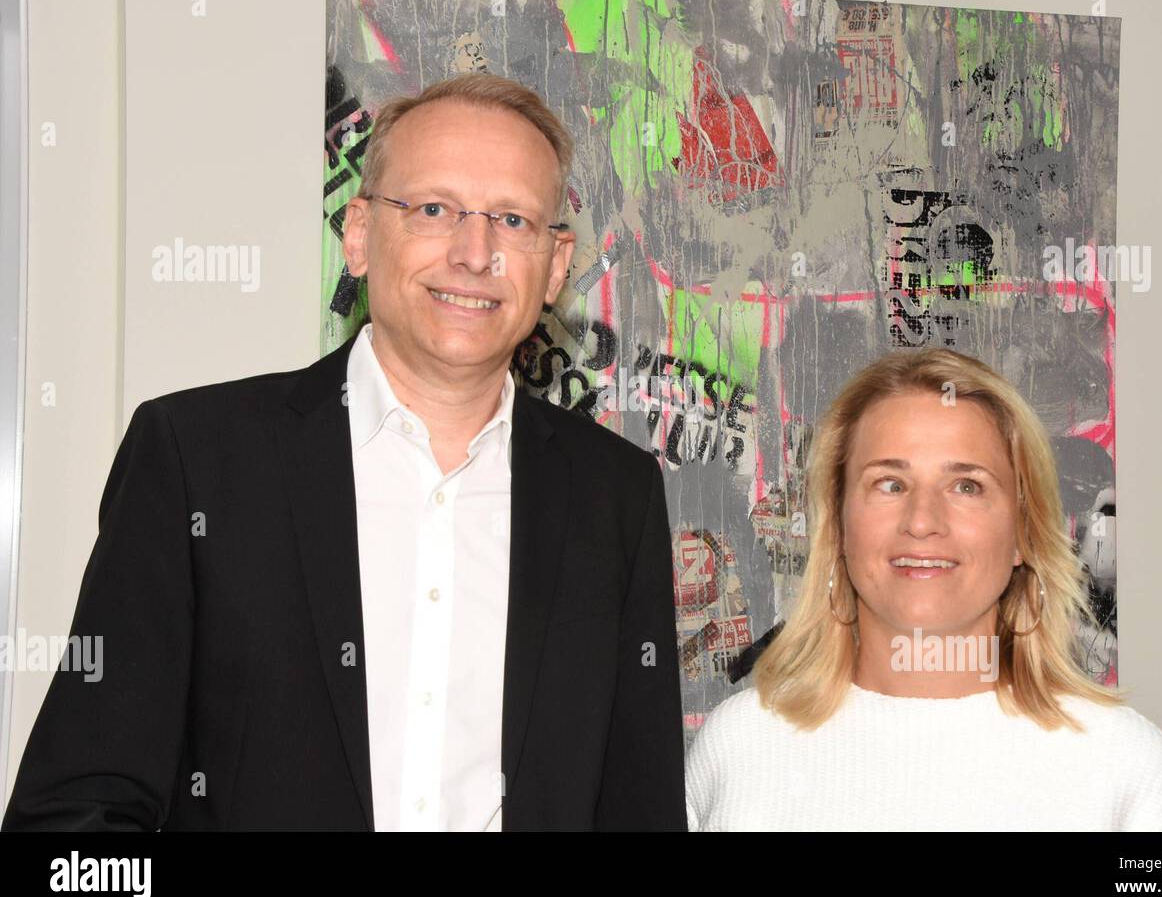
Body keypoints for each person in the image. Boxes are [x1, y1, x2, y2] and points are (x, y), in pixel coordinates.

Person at [4, 73, 685, 831]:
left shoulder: (616, 497)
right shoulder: (196, 459)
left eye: (513, 220)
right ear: (358, 235)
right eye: (433, 209)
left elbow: (641, 808)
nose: (475, 252)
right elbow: (71, 820)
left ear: (556, 268)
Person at [685, 348, 1162, 831]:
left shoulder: (1125, 765)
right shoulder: (737, 748)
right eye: (890, 483)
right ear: (840, 527)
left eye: (967, 486)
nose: (923, 520)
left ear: (1023, 533)